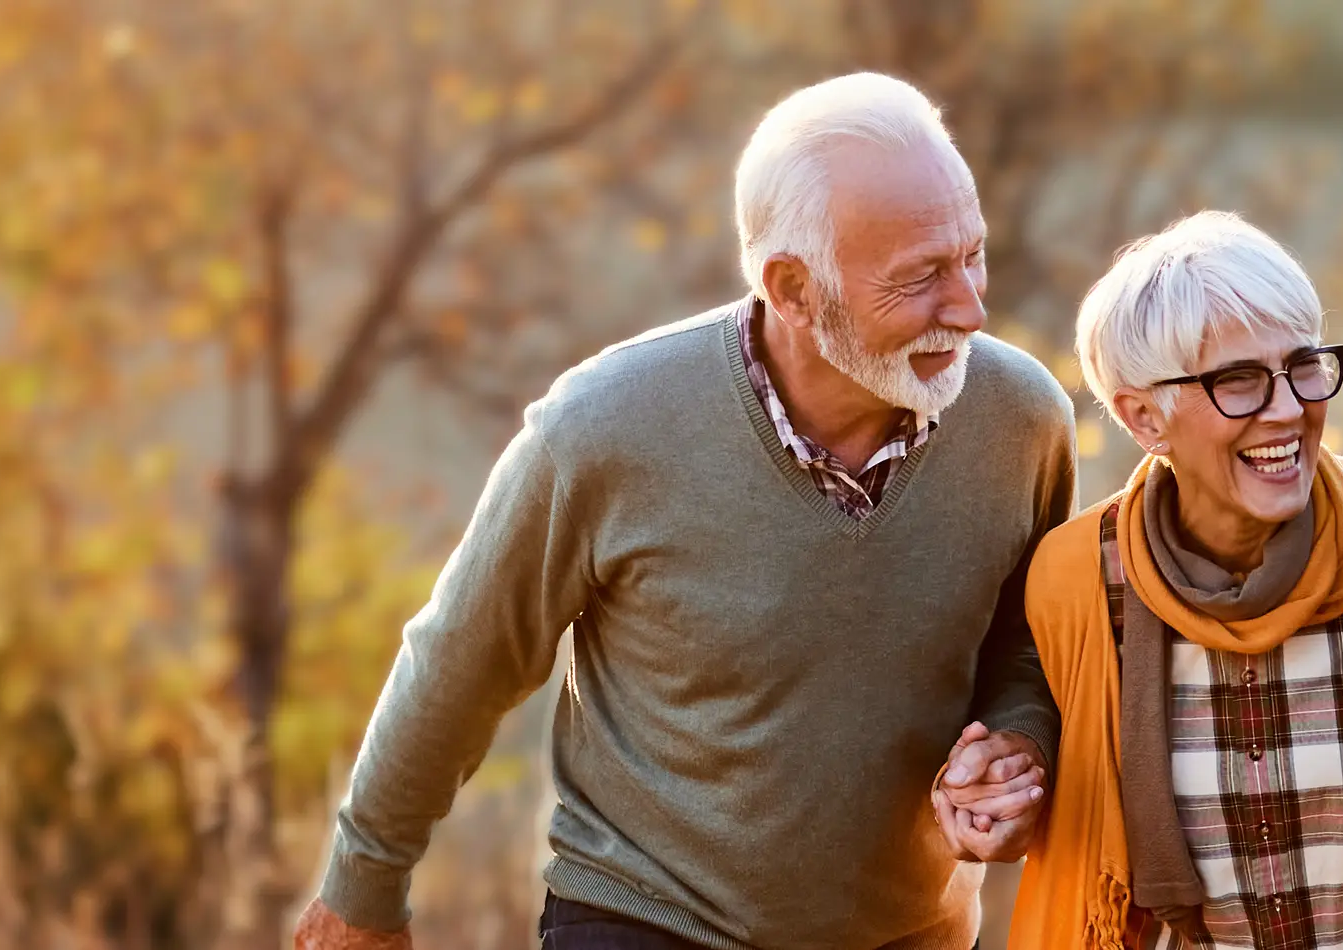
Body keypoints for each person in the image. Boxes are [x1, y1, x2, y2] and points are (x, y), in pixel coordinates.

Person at [289, 73, 1075, 950]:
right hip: (646, 915)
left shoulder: (1022, 419)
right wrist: (363, 888)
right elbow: (464, 658)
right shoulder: (605, 425)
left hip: (910, 932)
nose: (970, 307)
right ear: (794, 289)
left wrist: (1017, 748)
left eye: (972, 255)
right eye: (921, 277)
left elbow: (1028, 645)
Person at [1000, 211, 1343, 948]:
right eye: (1239, 382)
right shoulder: (1076, 579)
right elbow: (1021, 714)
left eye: (1302, 365)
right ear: (1144, 419)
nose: (1289, 409)